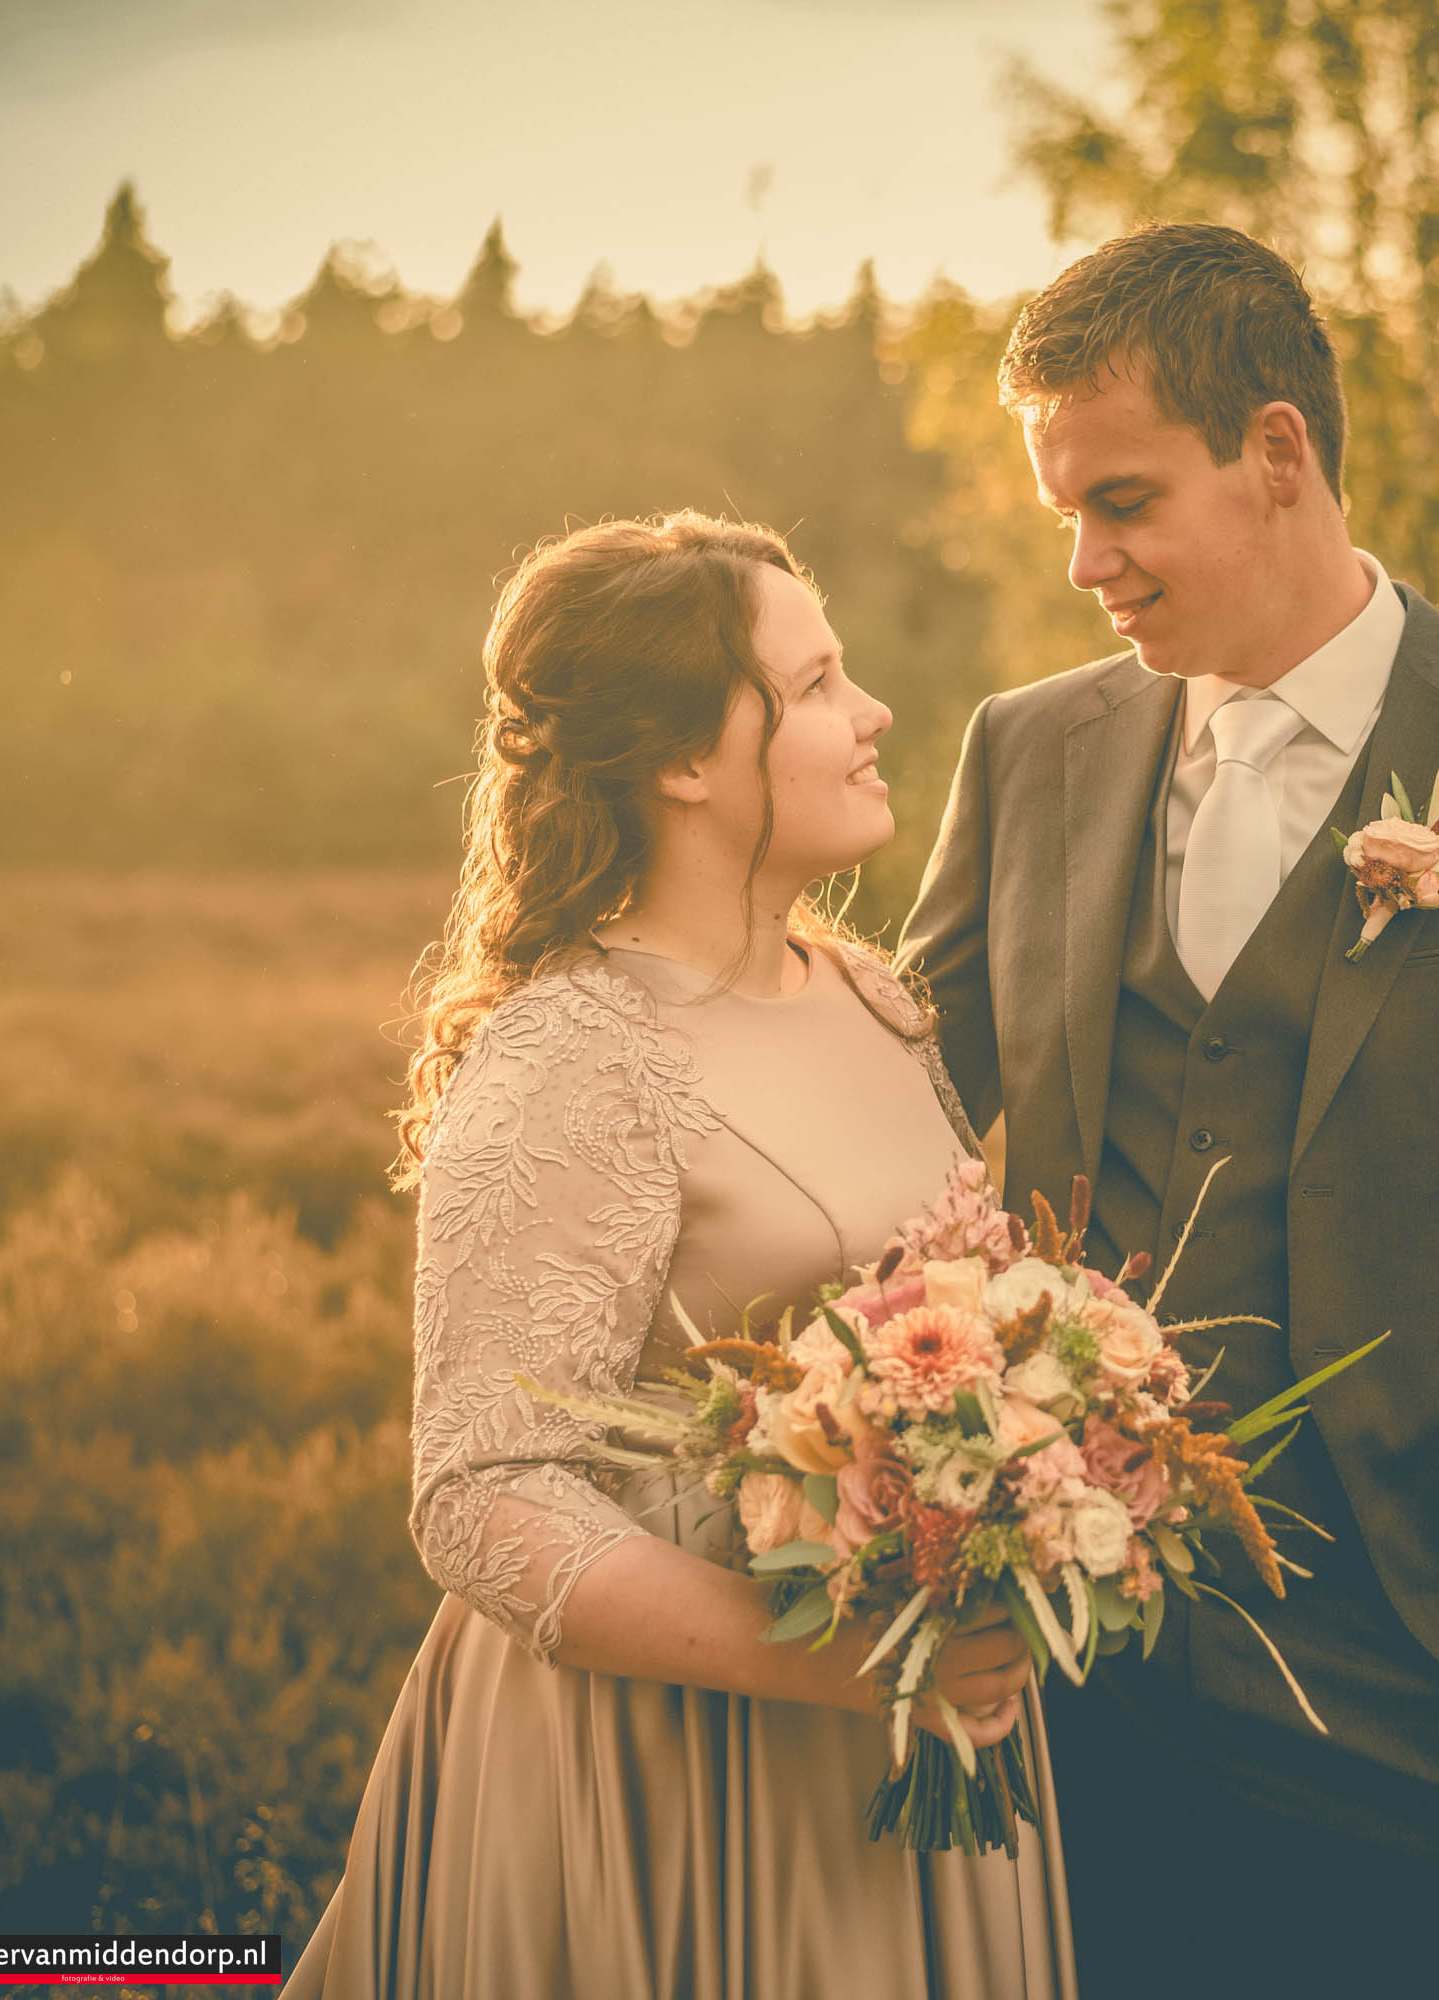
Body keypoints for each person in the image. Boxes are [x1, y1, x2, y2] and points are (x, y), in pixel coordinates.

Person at [901, 223, 1439, 1997]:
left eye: (1124, 503)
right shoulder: (1027, 749)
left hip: (1424, 1691)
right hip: (1067, 1675)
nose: (1084, 563)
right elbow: (892, 1113)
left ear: (1279, 451)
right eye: (1066, 512)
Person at [284, 514, 1074, 2000]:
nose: (873, 713)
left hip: (909, 1741)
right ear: (680, 761)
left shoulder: (872, 997)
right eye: (816, 685)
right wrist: (830, 1663)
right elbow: (481, 1495)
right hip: (666, 1770)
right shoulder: (572, 1055)